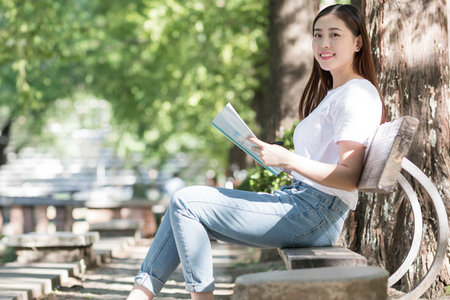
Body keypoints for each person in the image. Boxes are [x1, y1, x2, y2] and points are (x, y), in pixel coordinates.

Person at [127, 4, 384, 300]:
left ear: (357, 42)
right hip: (300, 204)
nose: (324, 44)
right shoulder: (334, 93)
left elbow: (349, 177)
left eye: (335, 35)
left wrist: (288, 159)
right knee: (180, 207)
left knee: (186, 201)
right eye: (318, 35)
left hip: (313, 214)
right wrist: (280, 161)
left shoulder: (356, 95)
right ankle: (138, 295)